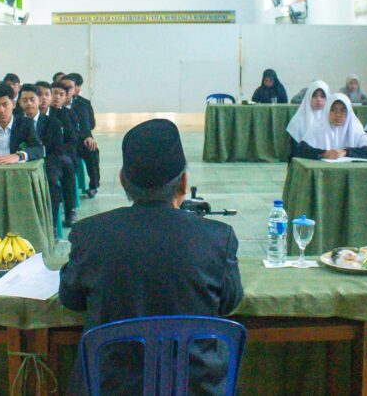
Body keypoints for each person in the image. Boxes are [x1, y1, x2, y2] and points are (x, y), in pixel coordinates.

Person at [59, 119, 244, 395]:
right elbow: (229, 301)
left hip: (111, 388)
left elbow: (71, 299)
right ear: (184, 182)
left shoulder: (90, 235)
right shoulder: (218, 238)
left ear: (123, 180)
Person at [20, 84, 76, 226]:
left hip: (49, 161)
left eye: (32, 99)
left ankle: (51, 226)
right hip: (21, 163)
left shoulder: (53, 122)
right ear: (19, 103)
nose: (29, 104)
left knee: (52, 181)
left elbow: (57, 150)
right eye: (24, 100)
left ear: (38, 100)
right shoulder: (16, 122)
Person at [295, 94, 367, 159]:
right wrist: (324, 154)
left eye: (343, 110)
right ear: (327, 111)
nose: (338, 115)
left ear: (348, 113)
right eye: (333, 110)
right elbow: (300, 150)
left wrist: (345, 152)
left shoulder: (355, 128)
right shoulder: (318, 127)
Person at [63, 74, 100, 198]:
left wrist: (88, 137)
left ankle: (94, 185)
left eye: (69, 87)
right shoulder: (55, 106)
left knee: (92, 149)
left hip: (79, 140)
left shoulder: (82, 104)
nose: (66, 90)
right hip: (62, 143)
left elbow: (87, 124)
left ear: (75, 89)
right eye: (64, 87)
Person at [51, 80, 82, 225]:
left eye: (60, 94)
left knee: (67, 166)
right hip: (45, 154)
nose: (56, 97)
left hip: (63, 153)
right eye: (54, 93)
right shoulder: (42, 113)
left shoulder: (68, 114)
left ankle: (70, 211)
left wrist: (60, 153)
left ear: (65, 98)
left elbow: (72, 139)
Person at [286, 80, 330, 144]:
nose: (318, 99)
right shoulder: (297, 122)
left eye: (322, 96)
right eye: (314, 96)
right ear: (308, 97)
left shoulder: (332, 120)